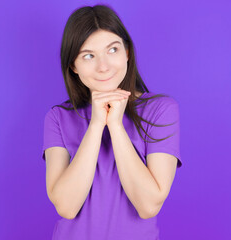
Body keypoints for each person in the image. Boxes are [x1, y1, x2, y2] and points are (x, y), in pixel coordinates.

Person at [42, 4, 182, 240]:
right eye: (88, 56)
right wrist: (96, 125)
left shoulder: (161, 110)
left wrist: (116, 126)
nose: (103, 66)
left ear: (127, 52)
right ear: (73, 66)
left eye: (113, 50)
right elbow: (66, 206)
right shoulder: (58, 117)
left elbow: (148, 205)